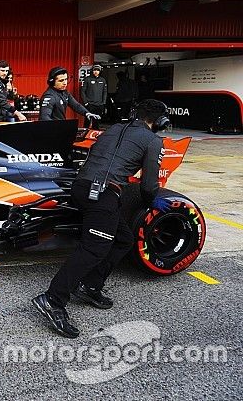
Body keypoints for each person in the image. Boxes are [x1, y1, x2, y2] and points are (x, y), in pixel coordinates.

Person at [32, 100, 171, 338]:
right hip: (103, 194)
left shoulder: (114, 129)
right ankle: (53, 300)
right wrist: (152, 201)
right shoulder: (153, 141)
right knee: (94, 248)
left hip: (81, 188)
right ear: (159, 122)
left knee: (123, 239)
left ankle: (90, 286)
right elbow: (149, 185)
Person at [80, 64, 108, 129]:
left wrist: (103, 103)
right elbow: (82, 91)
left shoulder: (103, 80)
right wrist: (86, 102)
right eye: (94, 70)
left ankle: (94, 136)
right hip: (90, 104)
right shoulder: (87, 79)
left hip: (99, 104)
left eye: (98, 70)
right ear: (92, 71)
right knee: (87, 121)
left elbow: (105, 92)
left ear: (100, 71)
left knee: (96, 122)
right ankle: (85, 136)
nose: (96, 71)